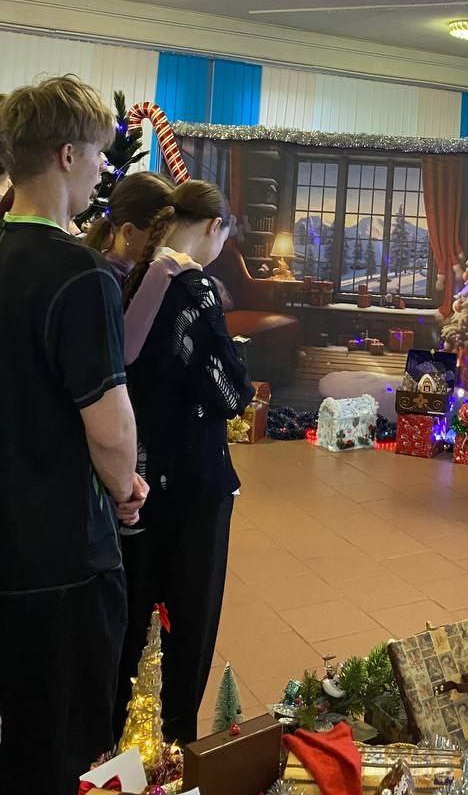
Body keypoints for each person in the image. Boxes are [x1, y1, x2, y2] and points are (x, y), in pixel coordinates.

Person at [0, 77, 148, 793]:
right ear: (66, 155)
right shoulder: (80, 274)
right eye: (96, 155)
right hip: (59, 561)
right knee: (64, 749)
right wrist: (126, 489)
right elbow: (111, 430)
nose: (100, 171)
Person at [114, 179, 252, 745]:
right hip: (195, 481)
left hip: (140, 476)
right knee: (189, 626)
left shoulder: (138, 277)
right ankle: (176, 747)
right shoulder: (194, 289)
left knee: (134, 619)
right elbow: (231, 392)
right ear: (214, 227)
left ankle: (116, 741)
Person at [86, 171, 200, 364]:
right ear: (129, 232)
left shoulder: (131, 272)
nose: (165, 247)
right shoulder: (101, 279)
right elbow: (120, 352)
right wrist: (163, 270)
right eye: (159, 236)